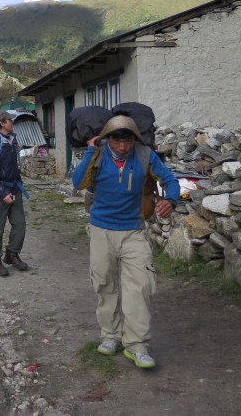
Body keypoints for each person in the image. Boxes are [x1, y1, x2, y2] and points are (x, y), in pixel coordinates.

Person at [72, 115, 179, 370]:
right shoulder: (97, 154)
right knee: (104, 284)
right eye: (116, 141)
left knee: (140, 286)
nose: (122, 147)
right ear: (107, 138)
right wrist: (89, 151)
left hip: (133, 231)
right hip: (101, 230)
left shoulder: (144, 156)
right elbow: (78, 183)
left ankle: (137, 345)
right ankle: (111, 336)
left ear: (135, 139)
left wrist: (171, 200)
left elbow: (170, 181)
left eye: (128, 141)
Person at [0, 110, 28, 277]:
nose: (12, 121)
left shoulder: (12, 139)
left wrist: (18, 185)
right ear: (2, 123)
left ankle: (12, 254)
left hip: (15, 188)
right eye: (10, 119)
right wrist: (1, 192)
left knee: (20, 223)